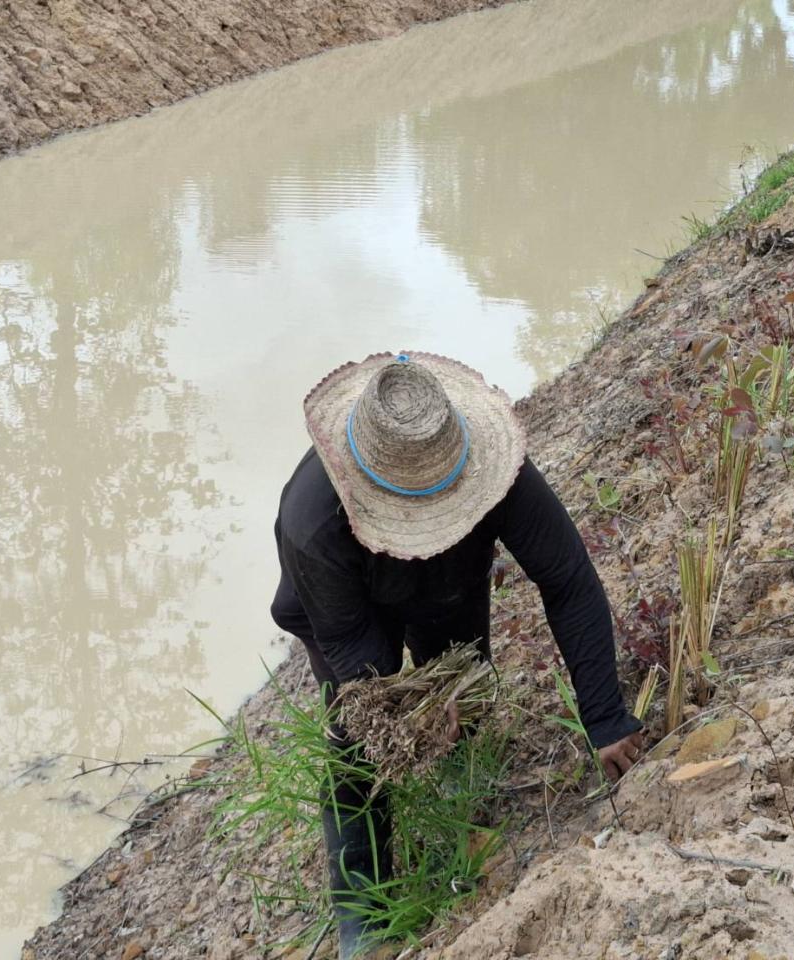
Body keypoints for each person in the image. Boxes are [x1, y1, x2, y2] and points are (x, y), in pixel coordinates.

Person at [270, 351, 643, 959]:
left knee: (463, 693)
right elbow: (351, 648)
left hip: (448, 584)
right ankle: (362, 911)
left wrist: (604, 717)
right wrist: (408, 711)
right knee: (356, 737)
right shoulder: (313, 521)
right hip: (345, 606)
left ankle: (460, 811)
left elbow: (568, 579)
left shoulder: (496, 470)